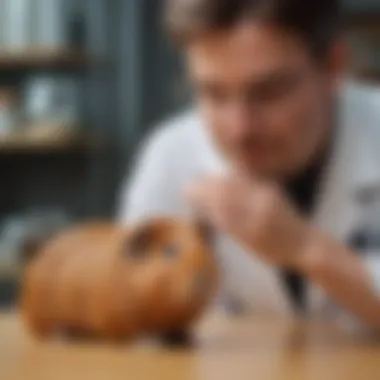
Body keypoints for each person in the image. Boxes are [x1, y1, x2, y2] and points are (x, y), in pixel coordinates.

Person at [119, 0, 380, 330]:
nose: (239, 128)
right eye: (213, 93)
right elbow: (129, 306)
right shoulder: (171, 154)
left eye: (269, 92)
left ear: (333, 66)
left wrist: (303, 247)